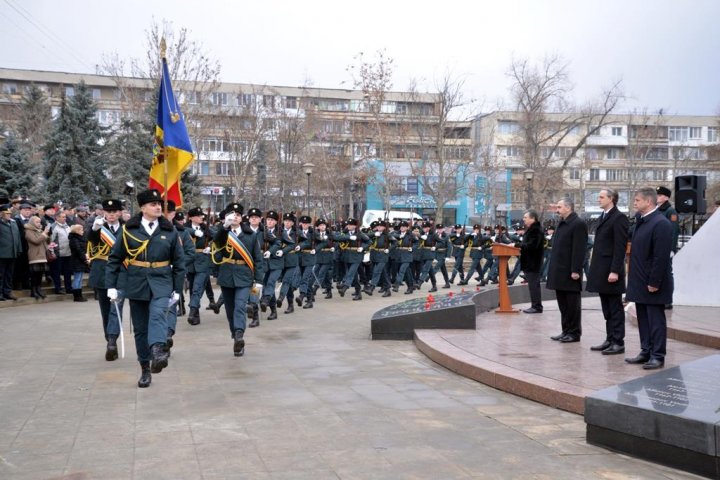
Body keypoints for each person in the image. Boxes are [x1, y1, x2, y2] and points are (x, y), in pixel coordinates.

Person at [106, 189, 186, 388]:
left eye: (159, 203)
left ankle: (158, 350)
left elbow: (179, 261)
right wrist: (111, 286)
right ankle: (145, 368)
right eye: (153, 204)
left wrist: (177, 289)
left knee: (158, 314)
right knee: (140, 329)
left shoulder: (169, 230)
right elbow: (115, 258)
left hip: (162, 281)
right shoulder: (129, 230)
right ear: (142, 208)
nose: (158, 206)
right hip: (137, 282)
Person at [625, 188, 674, 370]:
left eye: (637, 200)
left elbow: (660, 257)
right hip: (639, 281)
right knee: (643, 319)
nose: (635, 203)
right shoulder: (641, 221)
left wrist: (654, 282)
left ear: (649, 202)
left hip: (654, 283)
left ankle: (657, 355)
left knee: (655, 320)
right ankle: (646, 351)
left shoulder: (660, 223)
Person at [212, 202, 264, 357]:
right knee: (229, 311)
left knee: (240, 306)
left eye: (238, 215)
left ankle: (240, 335)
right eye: (231, 215)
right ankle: (235, 336)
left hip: (244, 275)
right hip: (227, 275)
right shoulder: (222, 233)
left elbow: (258, 259)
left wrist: (259, 280)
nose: (235, 217)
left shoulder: (250, 235)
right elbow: (216, 243)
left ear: (242, 218)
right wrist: (224, 227)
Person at [586, 188, 630, 355]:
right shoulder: (603, 216)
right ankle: (610, 338)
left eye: (601, 197)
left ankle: (618, 342)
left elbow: (620, 247)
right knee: (606, 307)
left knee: (615, 307)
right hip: (601, 270)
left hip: (611, 271)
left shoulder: (619, 218)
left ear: (611, 199)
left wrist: (615, 271)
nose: (598, 199)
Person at [87, 198, 126, 361]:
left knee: (115, 307)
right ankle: (110, 340)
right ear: (103, 213)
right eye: (108, 212)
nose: (111, 214)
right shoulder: (98, 228)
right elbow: (90, 242)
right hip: (102, 272)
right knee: (105, 310)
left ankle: (112, 340)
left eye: (114, 211)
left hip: (120, 273)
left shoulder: (127, 229)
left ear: (120, 213)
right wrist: (95, 228)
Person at [546, 198, 588, 343]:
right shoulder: (562, 223)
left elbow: (579, 249)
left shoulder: (578, 224)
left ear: (568, 208)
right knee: (563, 304)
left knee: (572, 305)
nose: (557, 210)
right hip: (559, 270)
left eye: (559, 207)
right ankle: (566, 330)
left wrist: (576, 269)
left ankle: (574, 333)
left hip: (570, 271)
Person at [656, 185, 679, 310]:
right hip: (658, 249)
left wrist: (671, 249)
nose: (657, 197)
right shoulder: (657, 209)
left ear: (666, 197)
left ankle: (668, 300)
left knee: (667, 274)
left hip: (666, 249)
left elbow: (674, 231)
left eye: (659, 195)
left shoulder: (670, 211)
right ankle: (660, 298)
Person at [519, 210, 544, 314]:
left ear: (532, 218)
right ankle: (535, 305)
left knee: (534, 285)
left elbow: (532, 246)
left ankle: (537, 306)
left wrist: (518, 245)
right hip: (530, 262)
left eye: (525, 217)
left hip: (533, 263)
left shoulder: (536, 230)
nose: (523, 219)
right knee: (533, 285)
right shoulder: (531, 229)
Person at [24, 215, 50, 299]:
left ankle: (39, 289)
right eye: (37, 222)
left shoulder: (39, 230)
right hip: (34, 255)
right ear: (32, 222)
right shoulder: (28, 231)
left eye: (39, 222)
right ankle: (33, 291)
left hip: (42, 255)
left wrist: (46, 235)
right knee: (34, 275)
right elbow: (36, 241)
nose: (39, 224)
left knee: (39, 275)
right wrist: (44, 234)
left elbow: (45, 241)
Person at [0, 204, 22, 300]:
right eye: (6, 213)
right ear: (1, 214)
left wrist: (19, 249)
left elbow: (17, 237)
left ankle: (7, 292)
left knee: (9, 275)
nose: (9, 215)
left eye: (10, 213)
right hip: (2, 253)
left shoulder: (13, 223)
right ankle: (0, 293)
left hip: (12, 253)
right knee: (1, 275)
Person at [49, 211, 73, 295]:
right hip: (58, 253)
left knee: (68, 272)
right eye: (62, 217)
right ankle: (58, 288)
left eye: (65, 217)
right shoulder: (53, 227)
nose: (64, 218)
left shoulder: (67, 226)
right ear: (57, 218)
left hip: (68, 253)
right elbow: (50, 241)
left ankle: (68, 288)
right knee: (57, 272)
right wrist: (52, 252)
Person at [68, 224, 89, 302]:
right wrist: (85, 259)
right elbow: (78, 250)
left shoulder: (79, 238)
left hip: (80, 260)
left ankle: (79, 295)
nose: (83, 231)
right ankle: (76, 296)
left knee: (79, 279)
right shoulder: (74, 239)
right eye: (81, 230)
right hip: (77, 261)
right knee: (77, 278)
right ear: (77, 231)